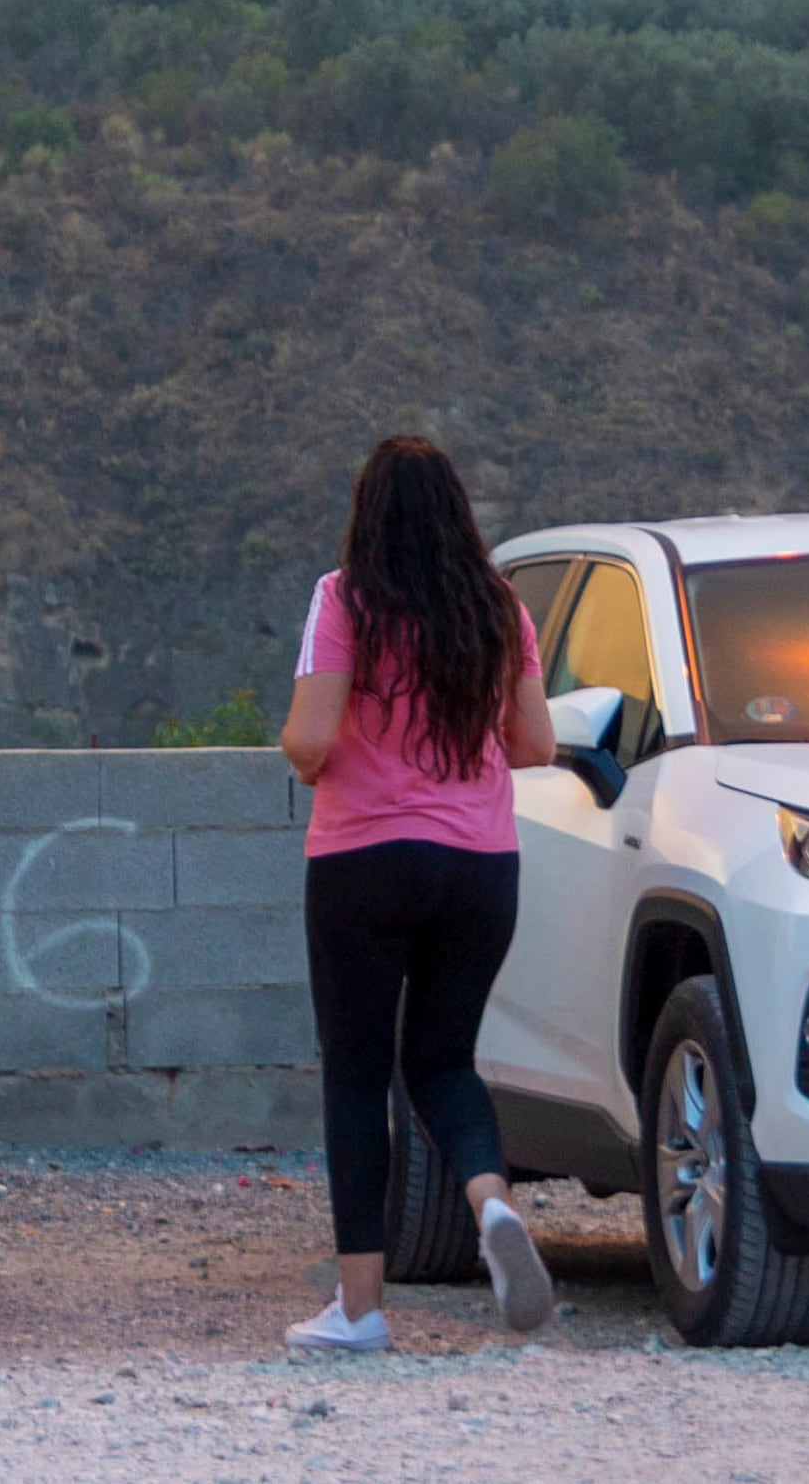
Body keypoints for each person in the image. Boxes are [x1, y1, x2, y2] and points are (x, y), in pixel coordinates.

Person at [278, 434, 557, 1353]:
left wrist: (307, 741)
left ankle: (359, 1310)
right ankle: (492, 1206)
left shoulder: (343, 598)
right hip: (482, 863)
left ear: (368, 512)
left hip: (365, 858)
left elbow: (313, 739)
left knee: (357, 1078)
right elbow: (535, 748)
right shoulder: (499, 609)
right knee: (443, 1061)